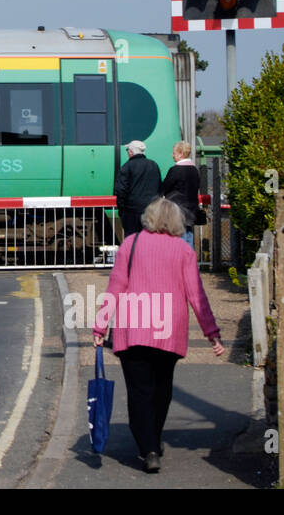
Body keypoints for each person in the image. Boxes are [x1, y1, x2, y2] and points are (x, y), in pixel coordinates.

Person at [92, 197, 225, 472]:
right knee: (162, 388)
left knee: (139, 391)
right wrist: (211, 333)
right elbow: (196, 295)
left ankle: (149, 448)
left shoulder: (131, 244)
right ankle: (153, 440)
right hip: (169, 330)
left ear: (148, 218)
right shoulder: (183, 251)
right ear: (176, 222)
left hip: (134, 327)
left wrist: (100, 326)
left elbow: (115, 286)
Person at [113, 139, 161, 237]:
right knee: (150, 240)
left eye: (127, 151)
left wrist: (122, 210)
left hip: (132, 212)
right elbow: (160, 188)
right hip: (151, 211)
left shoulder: (127, 167)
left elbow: (120, 190)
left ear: (131, 152)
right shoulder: (153, 165)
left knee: (133, 241)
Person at [161, 141, 202, 251]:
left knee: (179, 238)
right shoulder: (194, 170)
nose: (172, 155)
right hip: (191, 208)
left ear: (180, 153)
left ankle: (181, 264)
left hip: (177, 209)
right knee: (189, 236)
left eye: (174, 153)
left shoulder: (175, 170)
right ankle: (190, 263)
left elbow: (165, 187)